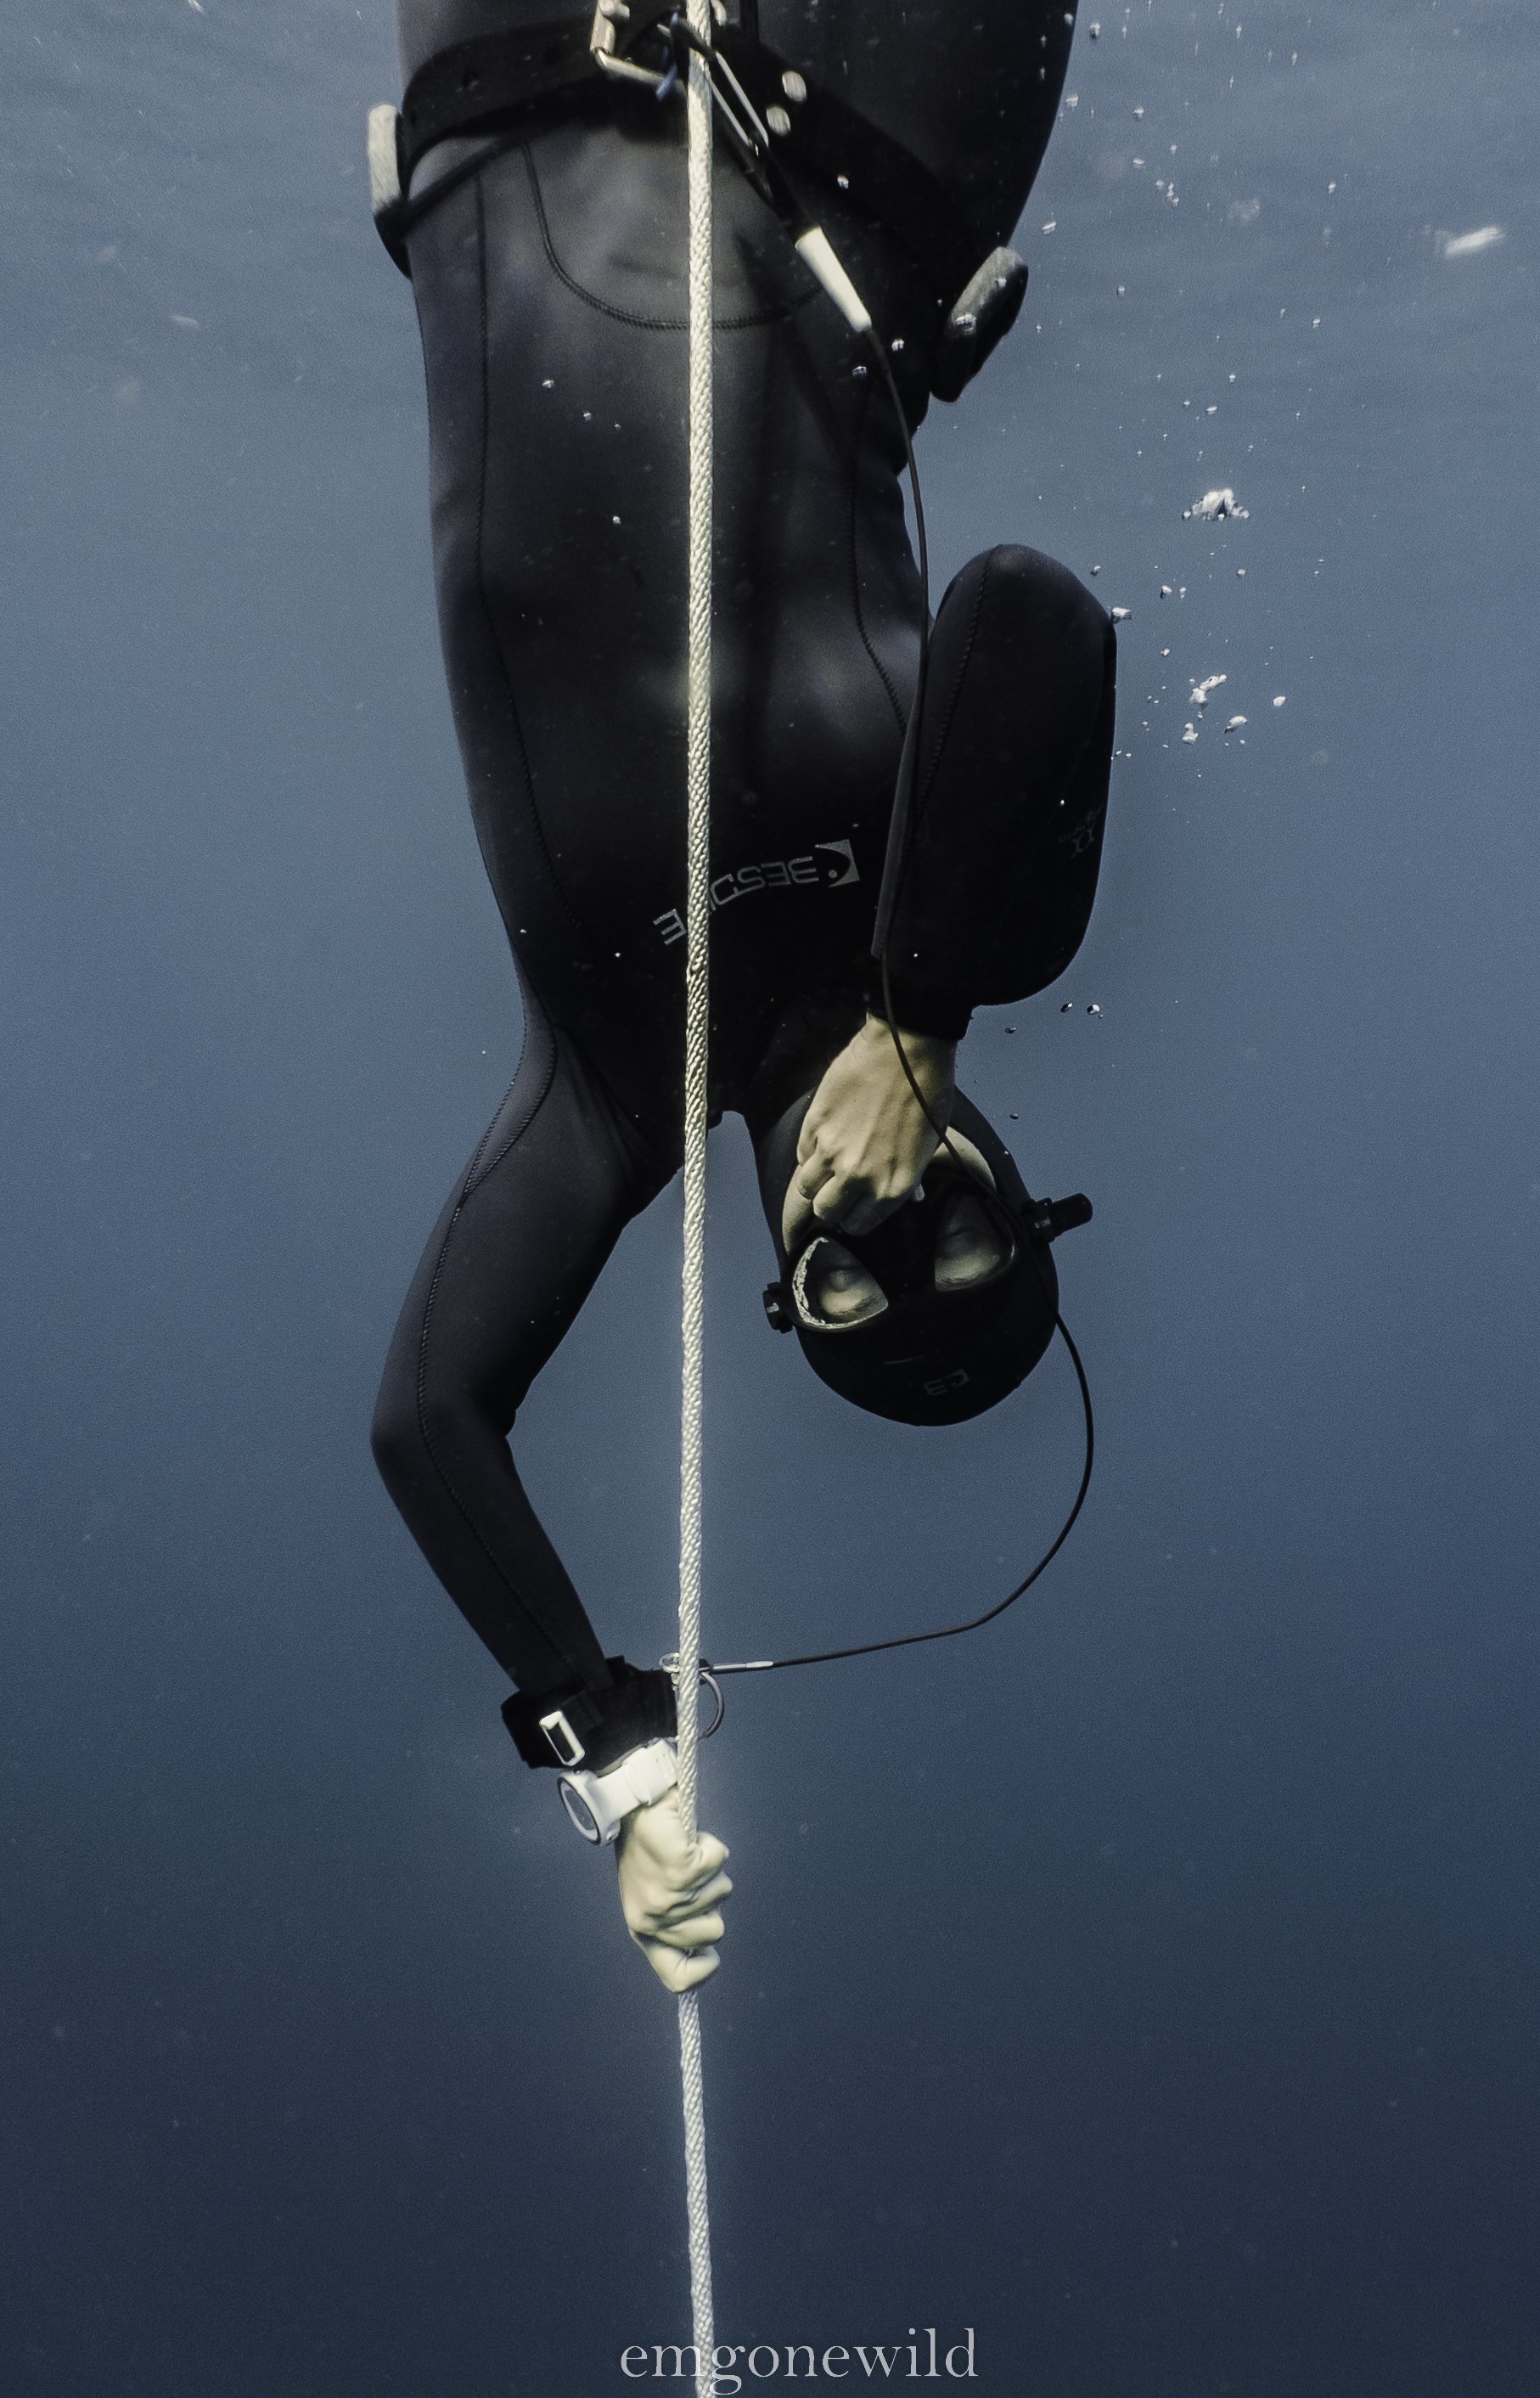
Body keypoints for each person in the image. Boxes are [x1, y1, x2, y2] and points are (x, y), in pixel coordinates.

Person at [368, 0, 1115, 1991]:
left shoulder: (611, 1092)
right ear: (1007, 1171)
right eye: (967, 1231)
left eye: (861, 1291)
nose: (886, 1219)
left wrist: (606, 1746)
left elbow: (431, 1418)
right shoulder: (957, 919)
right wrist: (925, 1009)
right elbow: (1029, 610)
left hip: (504, 90)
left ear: (786, 1299)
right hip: (839, 162)